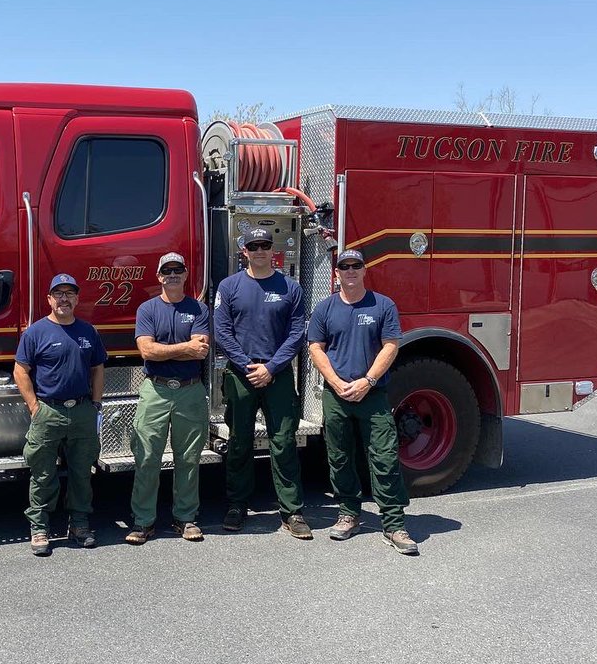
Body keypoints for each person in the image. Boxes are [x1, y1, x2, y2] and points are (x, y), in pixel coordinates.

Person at [306, 249, 418, 555]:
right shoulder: (325, 308)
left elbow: (391, 346)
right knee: (340, 458)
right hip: (337, 395)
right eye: (345, 266)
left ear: (364, 270)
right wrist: (336, 382)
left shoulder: (383, 305)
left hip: (372, 394)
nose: (351, 271)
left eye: (356, 266)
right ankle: (349, 514)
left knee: (384, 458)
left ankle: (394, 525)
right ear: (336, 273)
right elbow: (315, 347)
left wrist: (367, 381)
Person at [213, 227, 311, 538]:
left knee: (283, 443)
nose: (259, 251)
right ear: (244, 250)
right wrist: (246, 365)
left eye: (264, 245)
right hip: (241, 376)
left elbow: (297, 333)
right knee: (240, 443)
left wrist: (271, 367)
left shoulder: (290, 288)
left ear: (273, 250)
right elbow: (222, 330)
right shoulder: (229, 287)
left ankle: (292, 510)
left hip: (277, 375)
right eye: (253, 245)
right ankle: (237, 505)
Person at [13, 273, 107, 557]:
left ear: (77, 299)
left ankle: (79, 525)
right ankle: (39, 528)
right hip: (48, 411)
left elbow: (98, 368)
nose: (64, 298)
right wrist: (34, 406)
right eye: (59, 293)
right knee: (43, 474)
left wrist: (96, 404)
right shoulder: (36, 332)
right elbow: (20, 370)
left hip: (81, 411)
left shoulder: (88, 331)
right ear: (49, 299)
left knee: (82, 473)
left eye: (70, 293)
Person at [126, 252, 211, 545]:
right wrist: (185, 346)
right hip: (156, 389)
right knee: (147, 456)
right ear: (159, 276)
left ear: (186, 275)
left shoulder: (199, 309)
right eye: (167, 271)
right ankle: (143, 522)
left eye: (178, 270)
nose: (173, 275)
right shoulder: (147, 309)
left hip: (190, 390)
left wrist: (167, 349)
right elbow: (147, 352)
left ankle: (185, 519)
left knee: (188, 457)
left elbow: (202, 350)